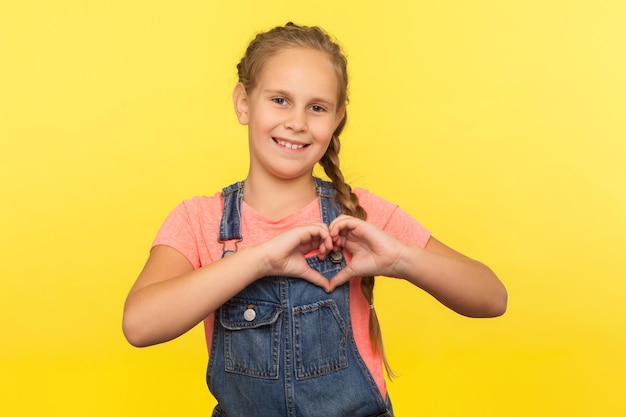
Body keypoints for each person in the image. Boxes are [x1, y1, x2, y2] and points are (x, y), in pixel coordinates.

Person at [122, 22, 507, 417]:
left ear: (337, 119)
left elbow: (493, 298)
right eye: (280, 100)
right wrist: (260, 259)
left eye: (317, 107)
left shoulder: (358, 213)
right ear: (243, 102)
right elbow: (140, 325)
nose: (298, 122)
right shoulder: (200, 220)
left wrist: (402, 260)